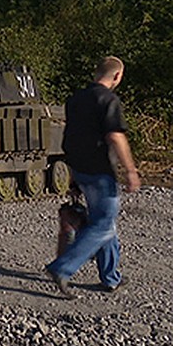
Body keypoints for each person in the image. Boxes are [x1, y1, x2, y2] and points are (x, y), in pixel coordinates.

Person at [45, 57, 141, 299]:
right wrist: (130, 170)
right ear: (117, 76)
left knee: (104, 221)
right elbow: (116, 137)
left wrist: (73, 177)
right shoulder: (108, 100)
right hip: (100, 171)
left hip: (80, 169)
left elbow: (71, 137)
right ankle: (61, 268)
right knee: (104, 224)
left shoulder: (76, 99)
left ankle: (110, 278)